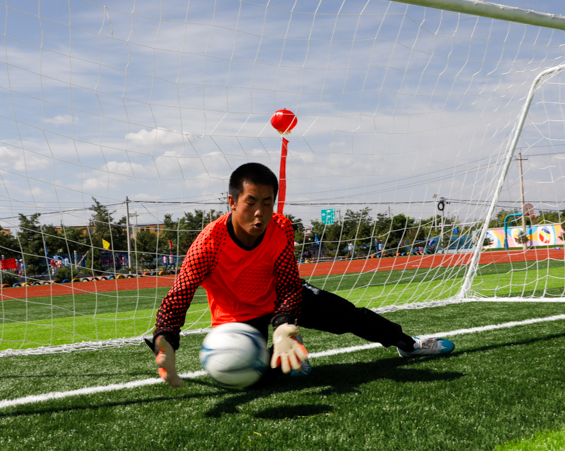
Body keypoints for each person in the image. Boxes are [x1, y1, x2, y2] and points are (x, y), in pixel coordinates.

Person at [148, 162, 454, 387]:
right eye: (250, 203)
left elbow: (289, 283)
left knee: (348, 316)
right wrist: (165, 340)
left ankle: (408, 343)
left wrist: (284, 326)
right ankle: (289, 355)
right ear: (232, 202)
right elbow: (180, 295)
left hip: (279, 296)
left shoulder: (280, 227)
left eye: (267, 203)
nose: (259, 212)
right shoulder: (209, 245)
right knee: (251, 375)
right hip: (237, 318)